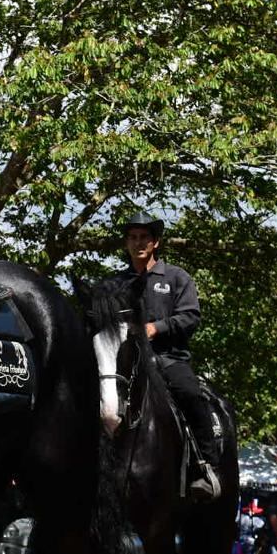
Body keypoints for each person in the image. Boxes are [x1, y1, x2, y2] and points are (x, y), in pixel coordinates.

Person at [103, 211, 221, 499]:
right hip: (123, 362)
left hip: (168, 358)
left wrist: (157, 327)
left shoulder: (177, 277)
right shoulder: (114, 284)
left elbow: (191, 316)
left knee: (190, 393)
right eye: (132, 237)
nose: (138, 243)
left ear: (155, 242)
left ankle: (206, 467)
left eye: (144, 237)